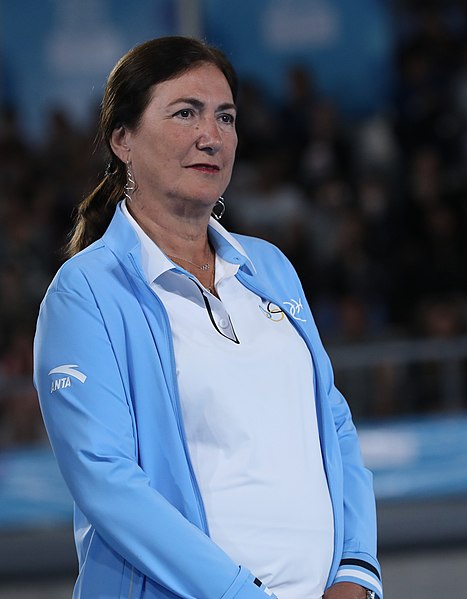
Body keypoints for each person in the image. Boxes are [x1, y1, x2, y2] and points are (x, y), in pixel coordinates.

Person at [33, 36, 382, 599]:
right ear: (122, 139)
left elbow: (333, 425)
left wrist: (356, 572)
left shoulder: (268, 267)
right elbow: (107, 481)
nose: (210, 136)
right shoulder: (86, 292)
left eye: (225, 116)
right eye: (185, 112)